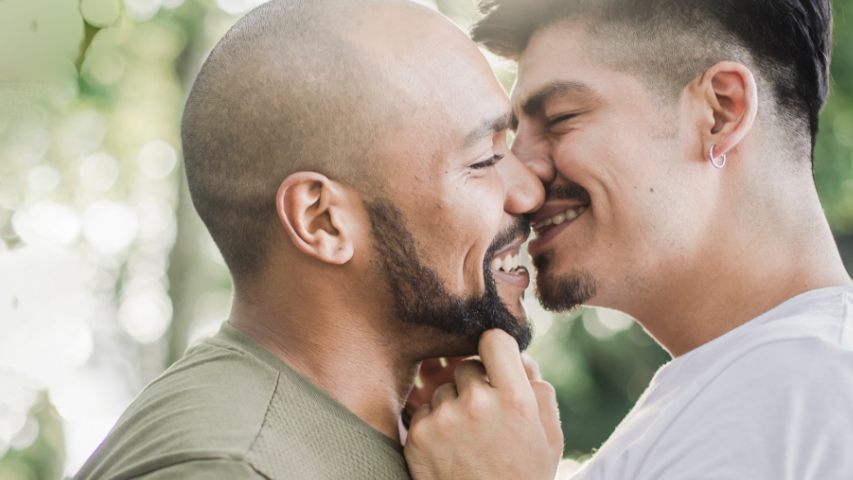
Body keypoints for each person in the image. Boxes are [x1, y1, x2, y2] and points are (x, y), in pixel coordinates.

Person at [73, 0, 563, 479]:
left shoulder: (441, 450)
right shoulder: (227, 467)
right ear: (323, 221)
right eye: (483, 160)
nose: (530, 190)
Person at [403, 0, 853, 479]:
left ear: (721, 112)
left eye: (560, 118)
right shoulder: (743, 396)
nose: (522, 180)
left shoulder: (807, 394)